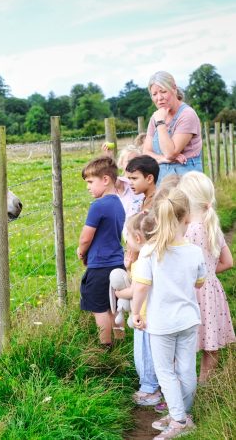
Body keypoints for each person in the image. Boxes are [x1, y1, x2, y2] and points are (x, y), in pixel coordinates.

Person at [132, 188, 206, 439]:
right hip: (188, 319)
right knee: (186, 369)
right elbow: (199, 283)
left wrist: (135, 312)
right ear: (186, 218)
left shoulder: (150, 251)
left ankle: (178, 421)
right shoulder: (194, 251)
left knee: (166, 372)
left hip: (162, 323)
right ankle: (183, 414)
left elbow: (141, 286)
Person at [179, 171, 235, 383]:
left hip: (190, 292)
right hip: (211, 292)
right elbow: (228, 262)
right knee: (210, 342)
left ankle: (185, 388)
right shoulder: (213, 227)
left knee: (185, 343)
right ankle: (205, 386)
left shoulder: (187, 231)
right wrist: (208, 273)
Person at [110, 212, 161, 406]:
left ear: (138, 238)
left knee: (144, 354)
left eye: (128, 238)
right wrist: (129, 266)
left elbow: (135, 288)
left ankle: (150, 389)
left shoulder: (143, 262)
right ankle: (159, 387)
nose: (127, 243)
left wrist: (119, 294)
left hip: (144, 317)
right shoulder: (157, 256)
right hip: (158, 315)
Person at [77, 156, 126, 347]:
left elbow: (86, 237)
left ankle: (105, 347)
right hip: (117, 263)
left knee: (100, 308)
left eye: (90, 182)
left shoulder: (98, 206)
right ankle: (121, 341)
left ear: (105, 180)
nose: (88, 187)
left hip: (100, 266)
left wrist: (82, 251)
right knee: (115, 306)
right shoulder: (118, 204)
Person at [143, 71, 203, 184]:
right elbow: (146, 152)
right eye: (154, 94)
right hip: (162, 179)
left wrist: (160, 123)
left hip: (187, 179)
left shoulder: (187, 115)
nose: (159, 98)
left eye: (163, 91)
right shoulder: (155, 117)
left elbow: (170, 153)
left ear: (174, 88)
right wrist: (163, 159)